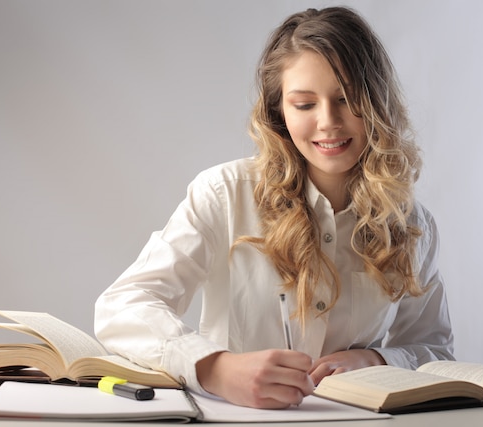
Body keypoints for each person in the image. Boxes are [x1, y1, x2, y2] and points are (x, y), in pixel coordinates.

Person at [94, 6, 454, 410]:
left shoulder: (410, 223)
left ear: (377, 103)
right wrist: (216, 368)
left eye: (347, 99)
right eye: (305, 105)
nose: (328, 122)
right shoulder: (224, 194)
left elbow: (433, 349)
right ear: (278, 111)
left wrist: (376, 359)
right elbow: (124, 306)